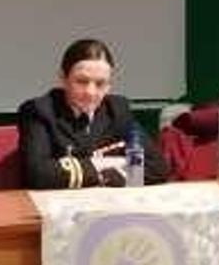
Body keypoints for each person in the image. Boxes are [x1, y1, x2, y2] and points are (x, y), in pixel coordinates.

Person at [18, 38, 169, 189]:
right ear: (63, 79)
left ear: (109, 85)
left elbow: (158, 167)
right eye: (82, 81)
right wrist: (106, 163)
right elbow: (37, 174)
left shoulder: (117, 110)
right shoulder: (40, 111)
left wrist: (116, 177)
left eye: (100, 83)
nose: (90, 92)